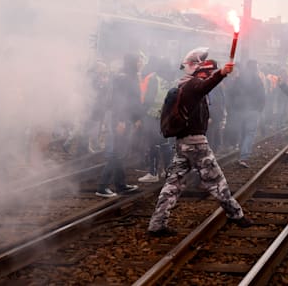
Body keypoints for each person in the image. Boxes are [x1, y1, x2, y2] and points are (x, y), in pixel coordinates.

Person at [147, 50, 251, 236]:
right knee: (217, 182)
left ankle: (157, 224)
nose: (208, 75)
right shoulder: (193, 85)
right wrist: (222, 74)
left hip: (183, 144)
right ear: (199, 69)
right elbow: (205, 86)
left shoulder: (183, 84)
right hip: (196, 144)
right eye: (207, 72)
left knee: (173, 184)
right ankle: (236, 215)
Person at [96, 53, 142, 198]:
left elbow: (133, 100)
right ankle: (102, 187)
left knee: (121, 153)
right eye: (138, 61)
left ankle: (121, 184)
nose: (140, 63)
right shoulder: (123, 78)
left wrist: (135, 118)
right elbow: (119, 101)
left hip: (127, 118)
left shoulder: (130, 76)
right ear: (132, 63)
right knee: (116, 154)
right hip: (120, 119)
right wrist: (121, 121)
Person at [138, 58, 175, 183]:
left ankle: (153, 172)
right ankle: (168, 171)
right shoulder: (172, 80)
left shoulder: (155, 79)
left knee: (152, 144)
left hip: (152, 116)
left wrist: (140, 115)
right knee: (165, 144)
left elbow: (148, 99)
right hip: (167, 116)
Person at [228, 60, 266, 168]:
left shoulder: (239, 78)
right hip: (253, 110)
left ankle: (240, 152)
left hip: (240, 110)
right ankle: (243, 156)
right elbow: (262, 96)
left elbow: (231, 92)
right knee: (250, 133)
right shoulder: (257, 79)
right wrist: (260, 108)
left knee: (242, 131)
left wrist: (233, 106)